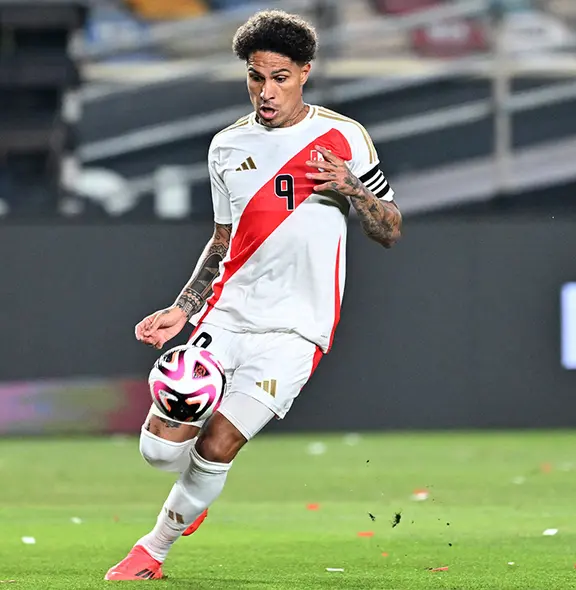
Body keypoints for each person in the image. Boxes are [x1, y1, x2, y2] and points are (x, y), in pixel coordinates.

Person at [105, 10, 402, 581]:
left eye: (280, 78)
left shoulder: (344, 137)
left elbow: (389, 228)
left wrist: (353, 188)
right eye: (256, 77)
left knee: (217, 445)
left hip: (296, 330)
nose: (266, 92)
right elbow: (222, 241)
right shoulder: (226, 146)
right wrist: (183, 307)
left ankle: (152, 550)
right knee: (159, 453)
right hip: (225, 316)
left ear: (305, 73)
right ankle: (192, 494)